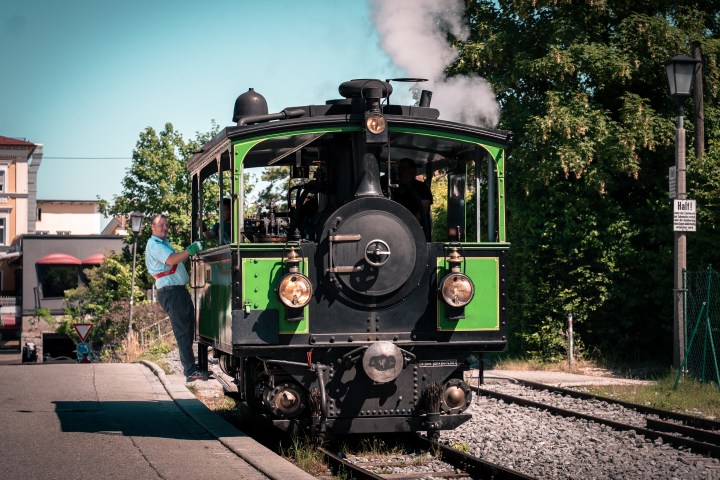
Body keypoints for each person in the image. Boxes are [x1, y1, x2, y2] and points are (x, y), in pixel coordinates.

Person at [145, 214, 207, 382]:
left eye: (166, 225)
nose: (165, 227)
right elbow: (172, 260)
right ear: (153, 227)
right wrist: (190, 250)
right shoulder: (154, 244)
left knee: (187, 329)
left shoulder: (162, 243)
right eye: (161, 225)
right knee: (183, 331)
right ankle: (190, 370)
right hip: (172, 292)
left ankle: (192, 368)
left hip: (176, 291)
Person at [393, 158, 433, 240]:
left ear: (413, 171)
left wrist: (407, 228)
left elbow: (423, 211)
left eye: (404, 169)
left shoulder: (422, 188)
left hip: (417, 234)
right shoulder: (394, 188)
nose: (401, 172)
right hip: (396, 232)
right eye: (400, 168)